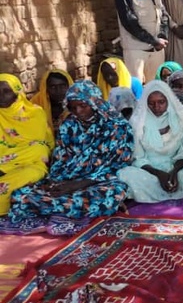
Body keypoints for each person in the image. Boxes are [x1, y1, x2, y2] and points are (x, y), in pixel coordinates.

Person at [9, 80, 134, 224]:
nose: (78, 111)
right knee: (20, 195)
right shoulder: (69, 124)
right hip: (66, 178)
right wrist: (53, 181)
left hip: (99, 181)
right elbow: (60, 157)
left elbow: (119, 165)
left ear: (95, 102)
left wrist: (78, 184)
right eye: (73, 107)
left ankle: (56, 210)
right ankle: (66, 211)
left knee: (111, 195)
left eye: (83, 106)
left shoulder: (117, 127)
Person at [118, 80, 183, 202]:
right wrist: (159, 174)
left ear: (168, 101)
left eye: (161, 102)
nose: (156, 107)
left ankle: (172, 184)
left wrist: (174, 172)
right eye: (151, 103)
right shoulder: (138, 123)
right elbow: (138, 158)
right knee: (125, 174)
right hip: (149, 172)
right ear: (146, 103)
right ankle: (173, 188)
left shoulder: (181, 120)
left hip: (177, 169)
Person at [0, 74, 53, 216]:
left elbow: (44, 146)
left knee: (38, 148)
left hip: (32, 163)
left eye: (6, 91)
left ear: (17, 92)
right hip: (4, 159)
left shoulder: (35, 113)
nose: (1, 96)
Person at [114, 0, 168, 81]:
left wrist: (162, 36)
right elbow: (128, 21)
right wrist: (153, 40)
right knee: (136, 87)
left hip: (156, 48)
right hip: (135, 49)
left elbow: (161, 11)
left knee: (156, 85)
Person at [31, 68, 73, 134]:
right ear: (46, 88)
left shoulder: (77, 103)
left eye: (62, 86)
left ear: (69, 85)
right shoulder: (36, 103)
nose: (58, 91)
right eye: (53, 87)